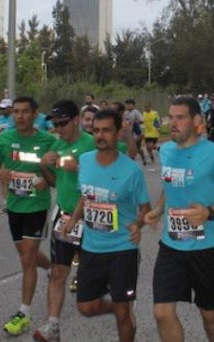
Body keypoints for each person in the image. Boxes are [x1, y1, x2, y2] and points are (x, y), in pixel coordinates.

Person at [143, 96, 214, 342]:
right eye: (171, 117)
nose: (173, 123)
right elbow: (169, 186)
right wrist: (158, 209)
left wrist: (210, 212)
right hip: (171, 245)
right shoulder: (166, 150)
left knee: (209, 313)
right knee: (162, 312)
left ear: (197, 121)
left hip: (208, 248)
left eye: (180, 117)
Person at [62, 109, 152, 342]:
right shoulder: (85, 161)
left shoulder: (131, 171)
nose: (100, 135)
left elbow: (145, 208)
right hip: (91, 248)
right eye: (96, 131)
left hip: (122, 249)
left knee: (123, 314)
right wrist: (74, 218)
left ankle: (123, 311)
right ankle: (118, 308)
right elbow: (86, 195)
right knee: (86, 306)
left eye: (106, 130)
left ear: (117, 133)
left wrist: (138, 225)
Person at [0, 96, 57, 336]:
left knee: (27, 259)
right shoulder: (6, 138)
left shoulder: (47, 140)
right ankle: (52, 268)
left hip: (37, 206)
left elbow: (56, 179)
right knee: (26, 254)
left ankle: (24, 313)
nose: (19, 116)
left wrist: (44, 176)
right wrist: (0, 174)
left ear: (35, 114)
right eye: (16, 112)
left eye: (25, 112)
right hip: (15, 206)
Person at [33, 100, 97, 342]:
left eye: (63, 123)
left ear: (77, 121)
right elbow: (53, 182)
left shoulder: (91, 145)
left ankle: (123, 313)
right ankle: (53, 326)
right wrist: (44, 166)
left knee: (97, 276)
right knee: (58, 271)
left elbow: (96, 184)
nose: (59, 129)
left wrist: (79, 168)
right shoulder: (55, 145)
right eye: (55, 124)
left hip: (91, 218)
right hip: (64, 215)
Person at [0, 98, 15, 214]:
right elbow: (2, 133)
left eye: (5, 108)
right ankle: (6, 203)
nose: (2, 111)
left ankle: (17, 201)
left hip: (14, 149)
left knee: (16, 175)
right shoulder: (1, 119)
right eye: (1, 108)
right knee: (3, 176)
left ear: (11, 108)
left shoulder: (15, 118)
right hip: (2, 148)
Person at [124, 99, 148, 166]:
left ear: (133, 105)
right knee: (133, 147)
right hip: (130, 133)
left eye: (129, 104)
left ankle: (142, 157)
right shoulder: (125, 113)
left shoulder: (136, 112)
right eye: (127, 104)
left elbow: (142, 121)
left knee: (137, 147)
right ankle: (132, 160)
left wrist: (133, 122)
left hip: (138, 132)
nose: (128, 106)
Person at [143, 103, 162, 170]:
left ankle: (158, 148)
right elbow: (143, 122)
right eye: (145, 107)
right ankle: (152, 158)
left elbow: (157, 120)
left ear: (150, 107)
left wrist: (158, 127)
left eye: (147, 107)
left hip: (154, 132)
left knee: (150, 146)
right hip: (147, 133)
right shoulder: (144, 114)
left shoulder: (154, 113)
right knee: (148, 148)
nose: (146, 108)